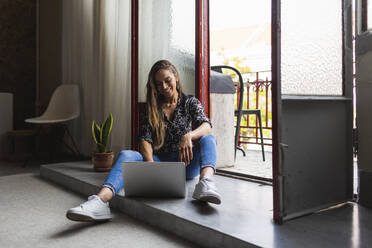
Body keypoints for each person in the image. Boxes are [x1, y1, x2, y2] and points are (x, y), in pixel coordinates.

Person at [66, 60, 221, 222]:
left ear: (175, 76)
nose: (164, 87)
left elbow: (206, 125)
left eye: (167, 80)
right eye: (159, 84)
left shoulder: (190, 102)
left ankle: (206, 183)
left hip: (186, 163)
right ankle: (100, 202)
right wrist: (151, 168)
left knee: (209, 138)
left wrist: (188, 136)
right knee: (127, 154)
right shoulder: (152, 108)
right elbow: (145, 140)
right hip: (159, 161)